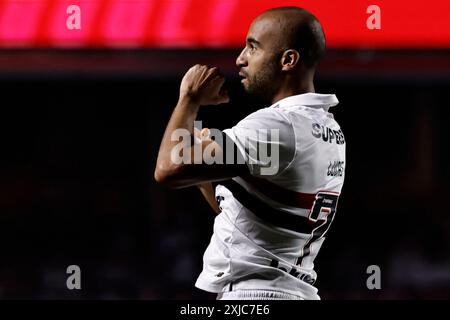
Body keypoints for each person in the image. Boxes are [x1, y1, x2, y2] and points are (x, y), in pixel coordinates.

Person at [154, 6, 345, 300]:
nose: (240, 59)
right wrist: (206, 171)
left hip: (255, 295)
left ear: (288, 60)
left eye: (253, 48)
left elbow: (167, 169)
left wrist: (189, 99)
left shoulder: (277, 127)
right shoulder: (326, 128)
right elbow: (246, 219)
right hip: (285, 291)